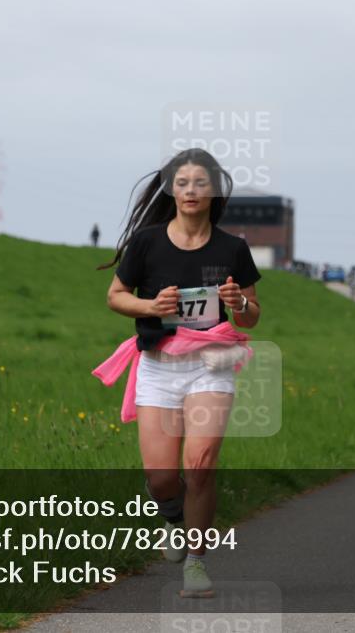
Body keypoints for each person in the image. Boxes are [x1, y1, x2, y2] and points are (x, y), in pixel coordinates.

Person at [94, 148, 261, 599]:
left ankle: (196, 563)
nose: (190, 191)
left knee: (201, 464)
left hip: (212, 365)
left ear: (214, 191)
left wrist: (237, 302)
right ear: (172, 189)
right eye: (182, 183)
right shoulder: (147, 242)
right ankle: (173, 517)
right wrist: (150, 306)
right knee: (162, 475)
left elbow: (251, 316)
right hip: (159, 365)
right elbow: (115, 295)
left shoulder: (233, 249)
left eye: (200, 183)